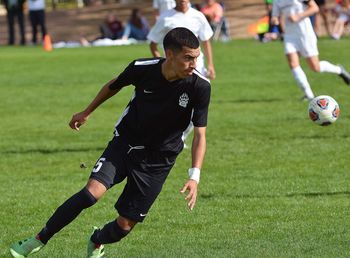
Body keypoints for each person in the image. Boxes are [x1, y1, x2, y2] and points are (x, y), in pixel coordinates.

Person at [9, 27, 211, 258]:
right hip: (126, 143)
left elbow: (200, 134)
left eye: (196, 57)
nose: (194, 63)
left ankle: (96, 240)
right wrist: (86, 112)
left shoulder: (200, 87)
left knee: (124, 226)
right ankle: (36, 241)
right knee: (90, 194)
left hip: (158, 160)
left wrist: (194, 176)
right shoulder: (142, 69)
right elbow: (114, 85)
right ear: (169, 54)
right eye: (188, 58)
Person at [147, 0, 215, 147]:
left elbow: (206, 41)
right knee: (175, 104)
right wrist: (163, 64)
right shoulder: (166, 17)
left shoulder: (198, 16)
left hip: (197, 68)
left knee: (196, 105)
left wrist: (210, 65)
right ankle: (168, 136)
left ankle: (179, 137)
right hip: (175, 70)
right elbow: (153, 43)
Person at [271, 0, 350, 101]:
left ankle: (339, 70)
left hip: (305, 34)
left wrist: (298, 16)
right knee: (293, 63)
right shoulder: (277, 1)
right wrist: (275, 20)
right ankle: (309, 94)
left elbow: (314, 8)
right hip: (290, 35)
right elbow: (275, 16)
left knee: (315, 67)